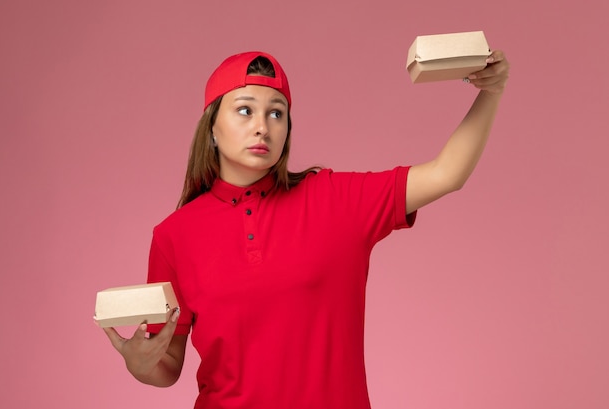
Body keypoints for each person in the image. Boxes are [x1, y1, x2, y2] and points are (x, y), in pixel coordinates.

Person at [101, 50, 510, 408]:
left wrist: (490, 91)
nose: (262, 125)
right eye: (245, 110)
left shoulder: (335, 198)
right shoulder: (175, 235)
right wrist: (140, 363)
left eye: (276, 113)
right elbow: (166, 363)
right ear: (211, 124)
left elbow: (447, 173)